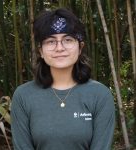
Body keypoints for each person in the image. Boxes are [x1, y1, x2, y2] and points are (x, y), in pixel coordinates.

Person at [11, 8, 115, 150]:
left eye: (67, 40)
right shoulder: (23, 96)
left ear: (80, 47)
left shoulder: (100, 95)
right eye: (51, 41)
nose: (59, 48)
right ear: (41, 50)